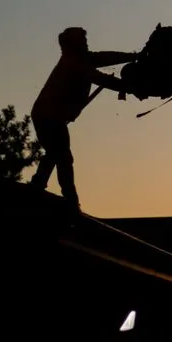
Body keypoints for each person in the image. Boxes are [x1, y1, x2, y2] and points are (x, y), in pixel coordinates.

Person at [29, 27, 139, 211]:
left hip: (50, 115)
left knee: (55, 152)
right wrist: (129, 86)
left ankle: (39, 185)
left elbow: (105, 57)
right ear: (74, 44)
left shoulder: (81, 59)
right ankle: (69, 199)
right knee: (62, 155)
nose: (86, 42)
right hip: (48, 116)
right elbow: (100, 78)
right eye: (82, 40)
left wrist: (133, 56)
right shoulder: (74, 62)